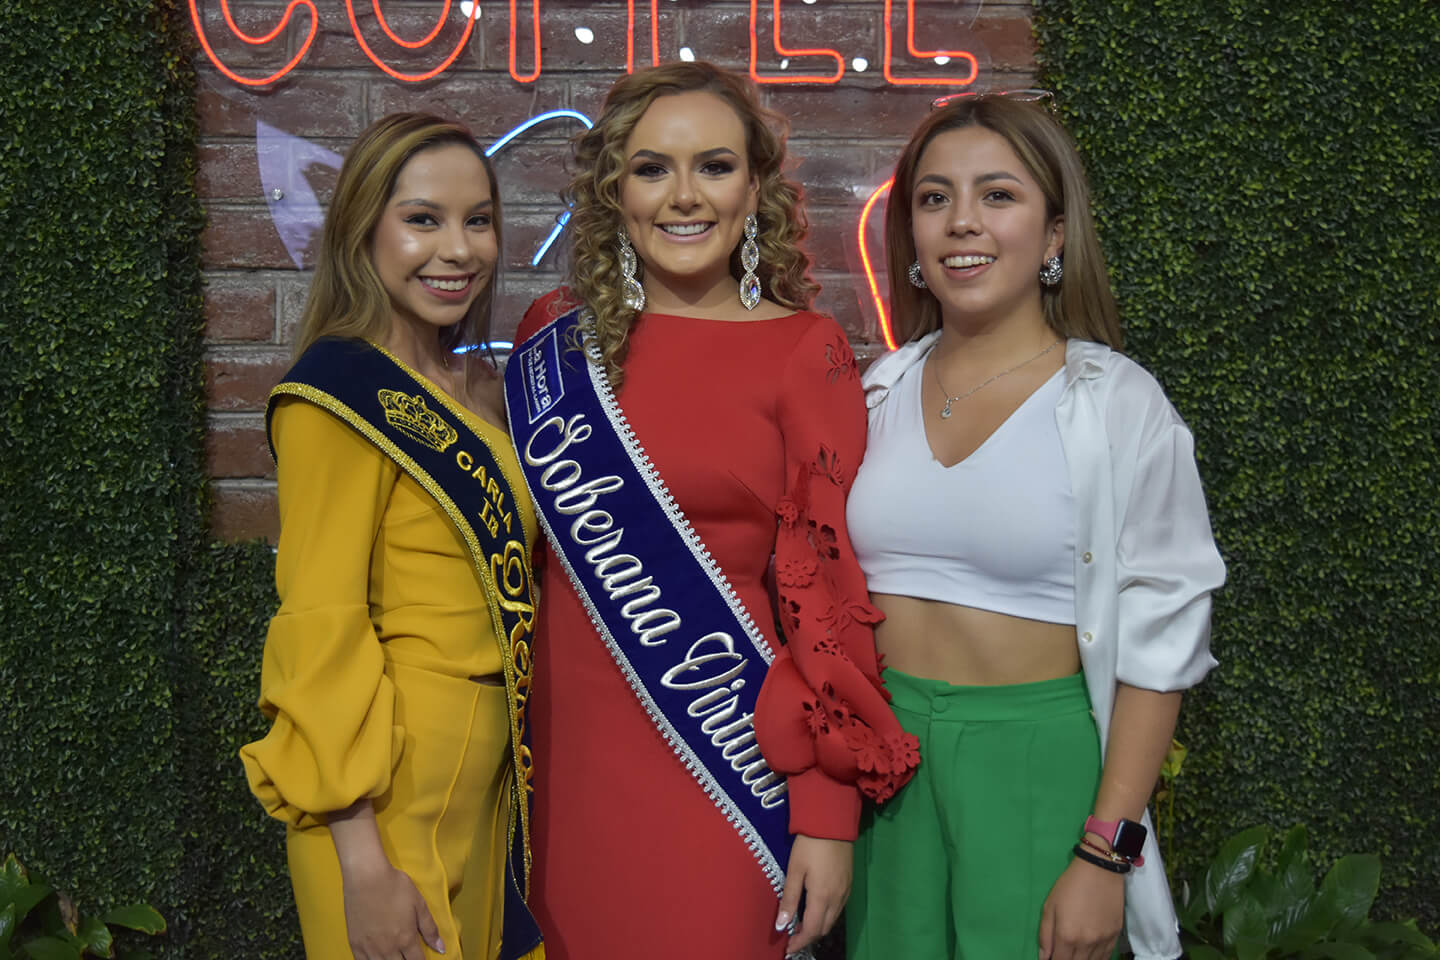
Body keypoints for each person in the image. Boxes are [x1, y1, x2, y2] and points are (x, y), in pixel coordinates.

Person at [502, 62, 920, 960]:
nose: (683, 197)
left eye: (715, 167)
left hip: (723, 765)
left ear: (756, 187)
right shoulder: (553, 335)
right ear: (615, 190)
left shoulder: (803, 351)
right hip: (559, 780)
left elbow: (830, 599)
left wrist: (826, 816)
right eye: (653, 169)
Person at [845, 92, 1226, 960]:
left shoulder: (1119, 404)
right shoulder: (876, 391)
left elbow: (1160, 651)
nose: (962, 222)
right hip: (883, 772)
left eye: (999, 195)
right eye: (934, 198)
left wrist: (1106, 852)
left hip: (1036, 765)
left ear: (1055, 235)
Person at [240, 113, 544, 960]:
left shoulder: (476, 385)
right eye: (423, 219)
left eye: (477, 219)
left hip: (489, 777)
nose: (458, 249)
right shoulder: (334, 392)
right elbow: (320, 625)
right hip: (386, 792)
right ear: (363, 229)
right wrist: (361, 863)